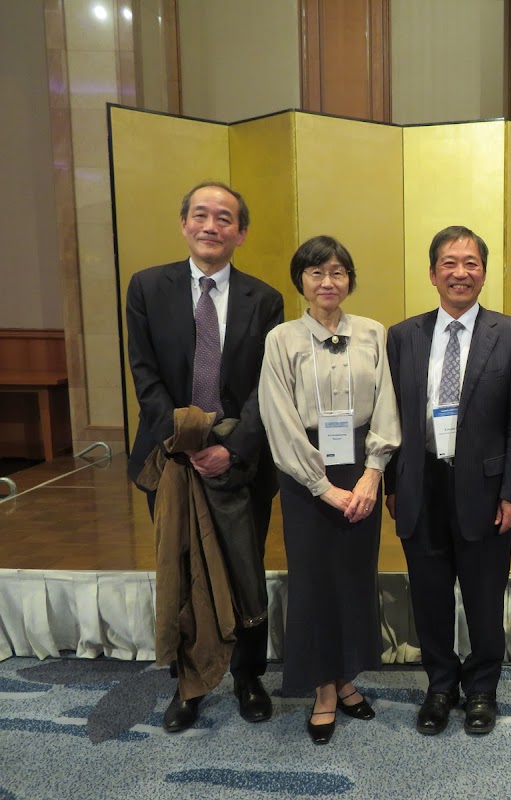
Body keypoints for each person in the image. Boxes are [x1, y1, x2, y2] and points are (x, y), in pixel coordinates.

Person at [126, 181, 283, 733]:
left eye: (224, 218)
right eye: (200, 215)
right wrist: (187, 440)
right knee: (183, 567)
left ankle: (248, 677)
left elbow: (267, 387)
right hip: (171, 459)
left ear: (241, 233)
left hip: (240, 462)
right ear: (184, 223)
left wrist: (230, 449)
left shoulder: (264, 299)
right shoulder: (147, 287)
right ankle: (188, 684)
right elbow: (144, 374)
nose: (210, 226)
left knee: (244, 570)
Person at [385, 226, 511, 736]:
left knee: (484, 596)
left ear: (484, 273)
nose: (460, 273)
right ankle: (440, 686)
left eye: (471, 263)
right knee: (429, 596)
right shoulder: (403, 336)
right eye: (449, 263)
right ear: (432, 274)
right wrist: (391, 484)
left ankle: (482, 689)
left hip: (485, 489)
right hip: (420, 482)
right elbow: (391, 416)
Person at [259, 236, 400, 745]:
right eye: (316, 272)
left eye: (338, 272)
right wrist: (320, 486)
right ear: (301, 280)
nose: (327, 282)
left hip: (360, 466)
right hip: (305, 471)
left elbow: (387, 403)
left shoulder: (373, 332)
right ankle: (322, 688)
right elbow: (278, 417)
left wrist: (373, 472)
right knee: (315, 580)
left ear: (350, 280)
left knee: (354, 576)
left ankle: (346, 678)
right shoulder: (282, 339)